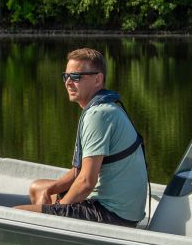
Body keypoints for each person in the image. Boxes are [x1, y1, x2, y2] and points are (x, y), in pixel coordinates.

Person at [16, 48, 147, 226]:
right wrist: (52, 189)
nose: (69, 82)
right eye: (66, 76)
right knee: (38, 188)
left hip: (112, 215)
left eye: (76, 77)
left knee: (14, 215)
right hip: (121, 209)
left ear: (98, 79)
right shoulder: (105, 107)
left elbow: (86, 182)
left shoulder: (99, 115)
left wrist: (59, 209)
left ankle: (49, 234)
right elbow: (79, 172)